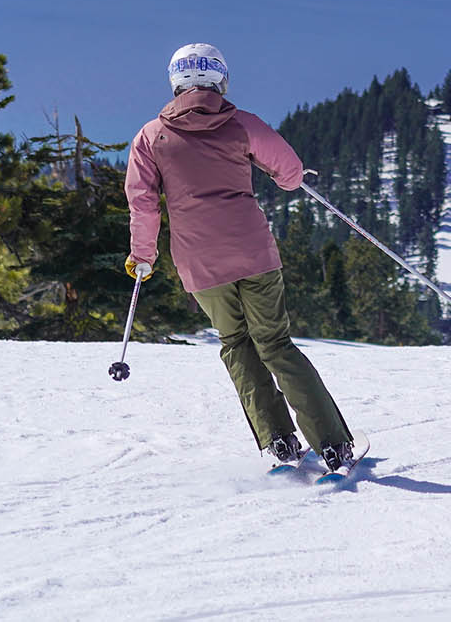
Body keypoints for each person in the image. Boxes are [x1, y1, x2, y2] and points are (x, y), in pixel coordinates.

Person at [125, 42, 359, 472]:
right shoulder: (242, 124)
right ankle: (332, 445)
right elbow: (289, 173)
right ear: (220, 78)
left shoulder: (150, 137)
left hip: (200, 264)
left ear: (176, 81)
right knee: (275, 344)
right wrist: (284, 175)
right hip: (253, 253)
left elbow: (143, 203)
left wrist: (143, 255)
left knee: (236, 344)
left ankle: (280, 444)